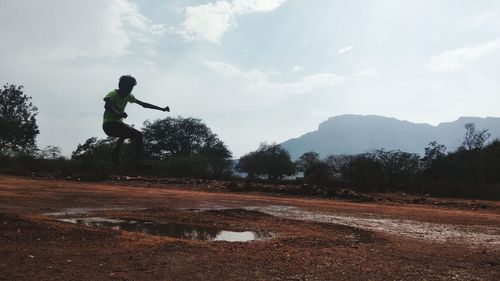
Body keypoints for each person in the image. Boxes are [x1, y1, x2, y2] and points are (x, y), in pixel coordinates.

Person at [102, 75, 169, 167]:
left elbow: (144, 104)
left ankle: (129, 159)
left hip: (119, 125)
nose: (130, 91)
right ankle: (122, 154)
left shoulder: (128, 96)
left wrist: (162, 109)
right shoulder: (112, 94)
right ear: (121, 86)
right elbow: (107, 106)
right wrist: (118, 114)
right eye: (128, 88)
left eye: (131, 89)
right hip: (109, 125)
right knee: (129, 130)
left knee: (134, 134)